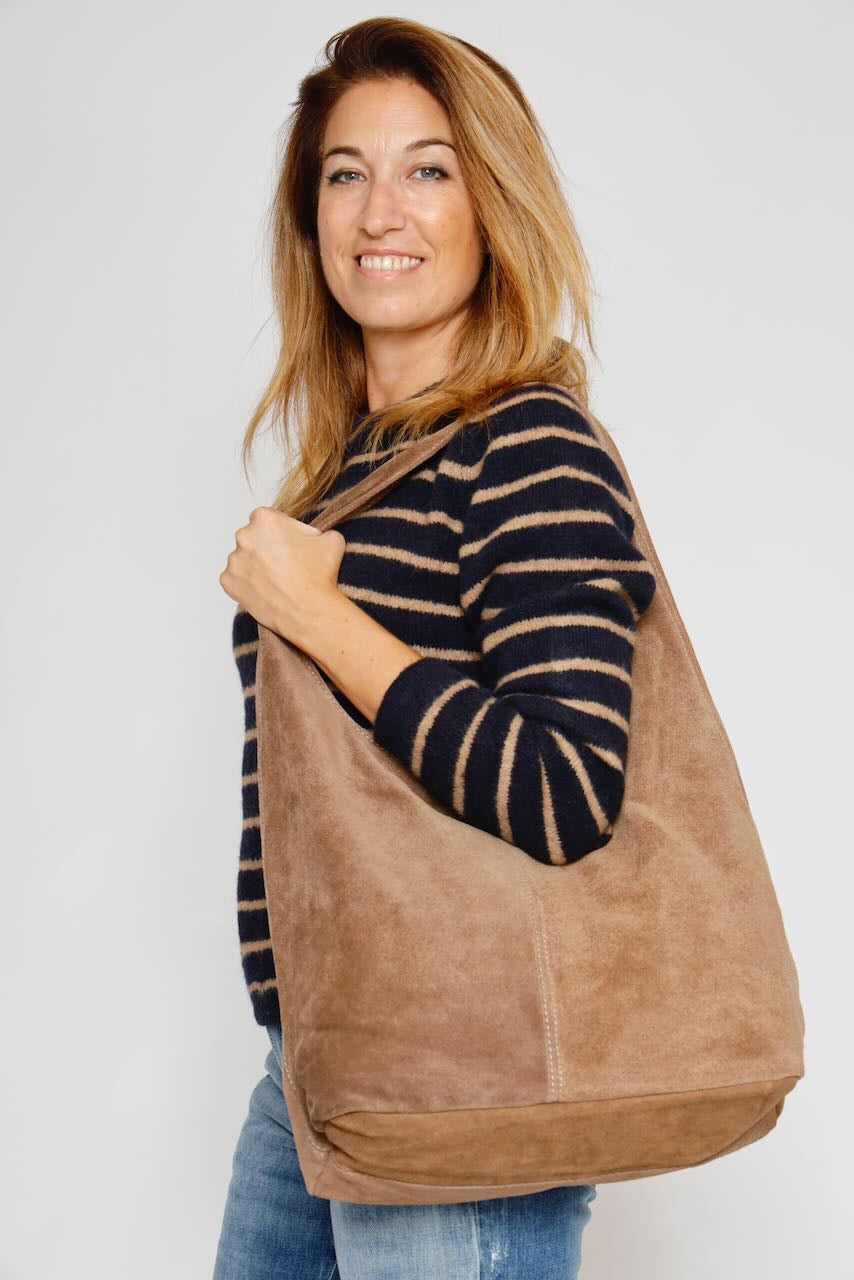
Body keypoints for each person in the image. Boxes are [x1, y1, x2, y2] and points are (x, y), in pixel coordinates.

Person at [214, 15, 657, 1279]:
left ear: (489, 206)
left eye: (427, 168)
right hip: (318, 1054)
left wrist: (321, 615)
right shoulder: (347, 476)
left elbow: (567, 788)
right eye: (343, 173)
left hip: (460, 1074)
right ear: (309, 217)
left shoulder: (527, 443)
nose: (378, 211)